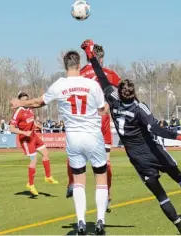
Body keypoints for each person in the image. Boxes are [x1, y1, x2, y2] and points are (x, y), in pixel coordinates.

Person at [81, 39, 181, 235]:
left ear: (119, 92)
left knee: (161, 196)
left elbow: (101, 77)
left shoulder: (112, 98)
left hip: (138, 158)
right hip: (153, 151)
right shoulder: (139, 108)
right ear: (133, 93)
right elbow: (157, 130)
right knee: (180, 178)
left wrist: (90, 55)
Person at [10, 51, 110, 235]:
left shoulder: (60, 85)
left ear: (65, 66)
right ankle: (100, 221)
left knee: (79, 180)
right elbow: (103, 109)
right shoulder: (92, 84)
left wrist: (19, 103)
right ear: (79, 65)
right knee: (101, 177)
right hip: (93, 136)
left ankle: (80, 221)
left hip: (73, 137)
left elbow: (39, 102)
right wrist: (106, 108)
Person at [66, 44, 121, 214]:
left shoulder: (79, 73)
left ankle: (72, 183)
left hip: (81, 120)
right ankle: (108, 196)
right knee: (106, 162)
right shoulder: (107, 73)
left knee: (75, 155)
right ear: (101, 58)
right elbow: (123, 88)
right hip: (101, 120)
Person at [9, 92, 58, 196]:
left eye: (27, 99)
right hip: (26, 138)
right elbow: (11, 128)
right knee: (34, 160)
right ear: (19, 101)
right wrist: (24, 132)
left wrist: (37, 125)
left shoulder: (29, 109)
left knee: (45, 153)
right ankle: (30, 184)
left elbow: (31, 121)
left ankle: (48, 176)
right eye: (23, 100)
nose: (26, 102)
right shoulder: (18, 112)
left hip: (33, 136)